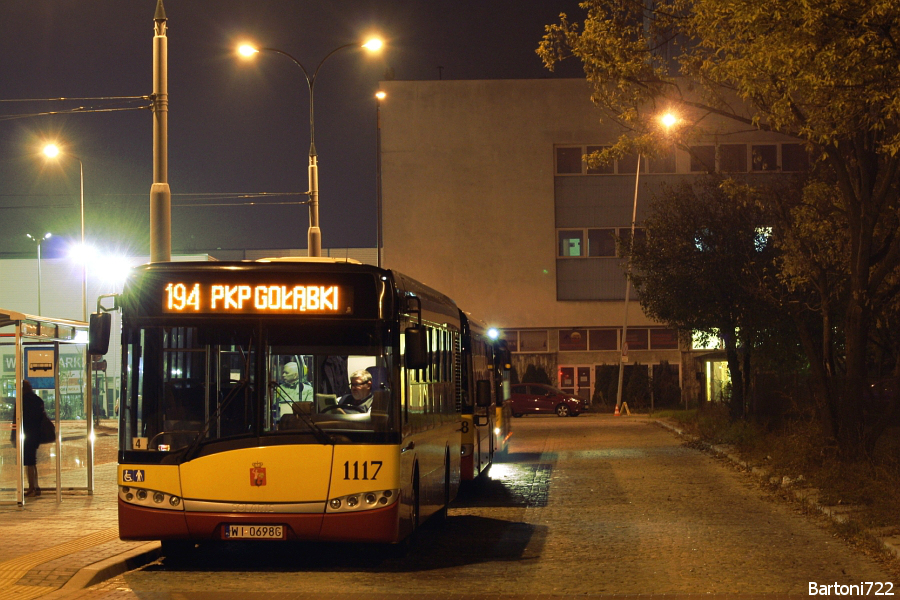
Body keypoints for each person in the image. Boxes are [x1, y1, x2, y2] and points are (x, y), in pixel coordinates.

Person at [16, 380, 46, 497]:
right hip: (35, 434)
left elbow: (18, 419)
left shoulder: (22, 400)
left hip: (26, 434)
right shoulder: (37, 399)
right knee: (32, 462)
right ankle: (35, 486)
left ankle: (31, 487)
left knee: (29, 461)